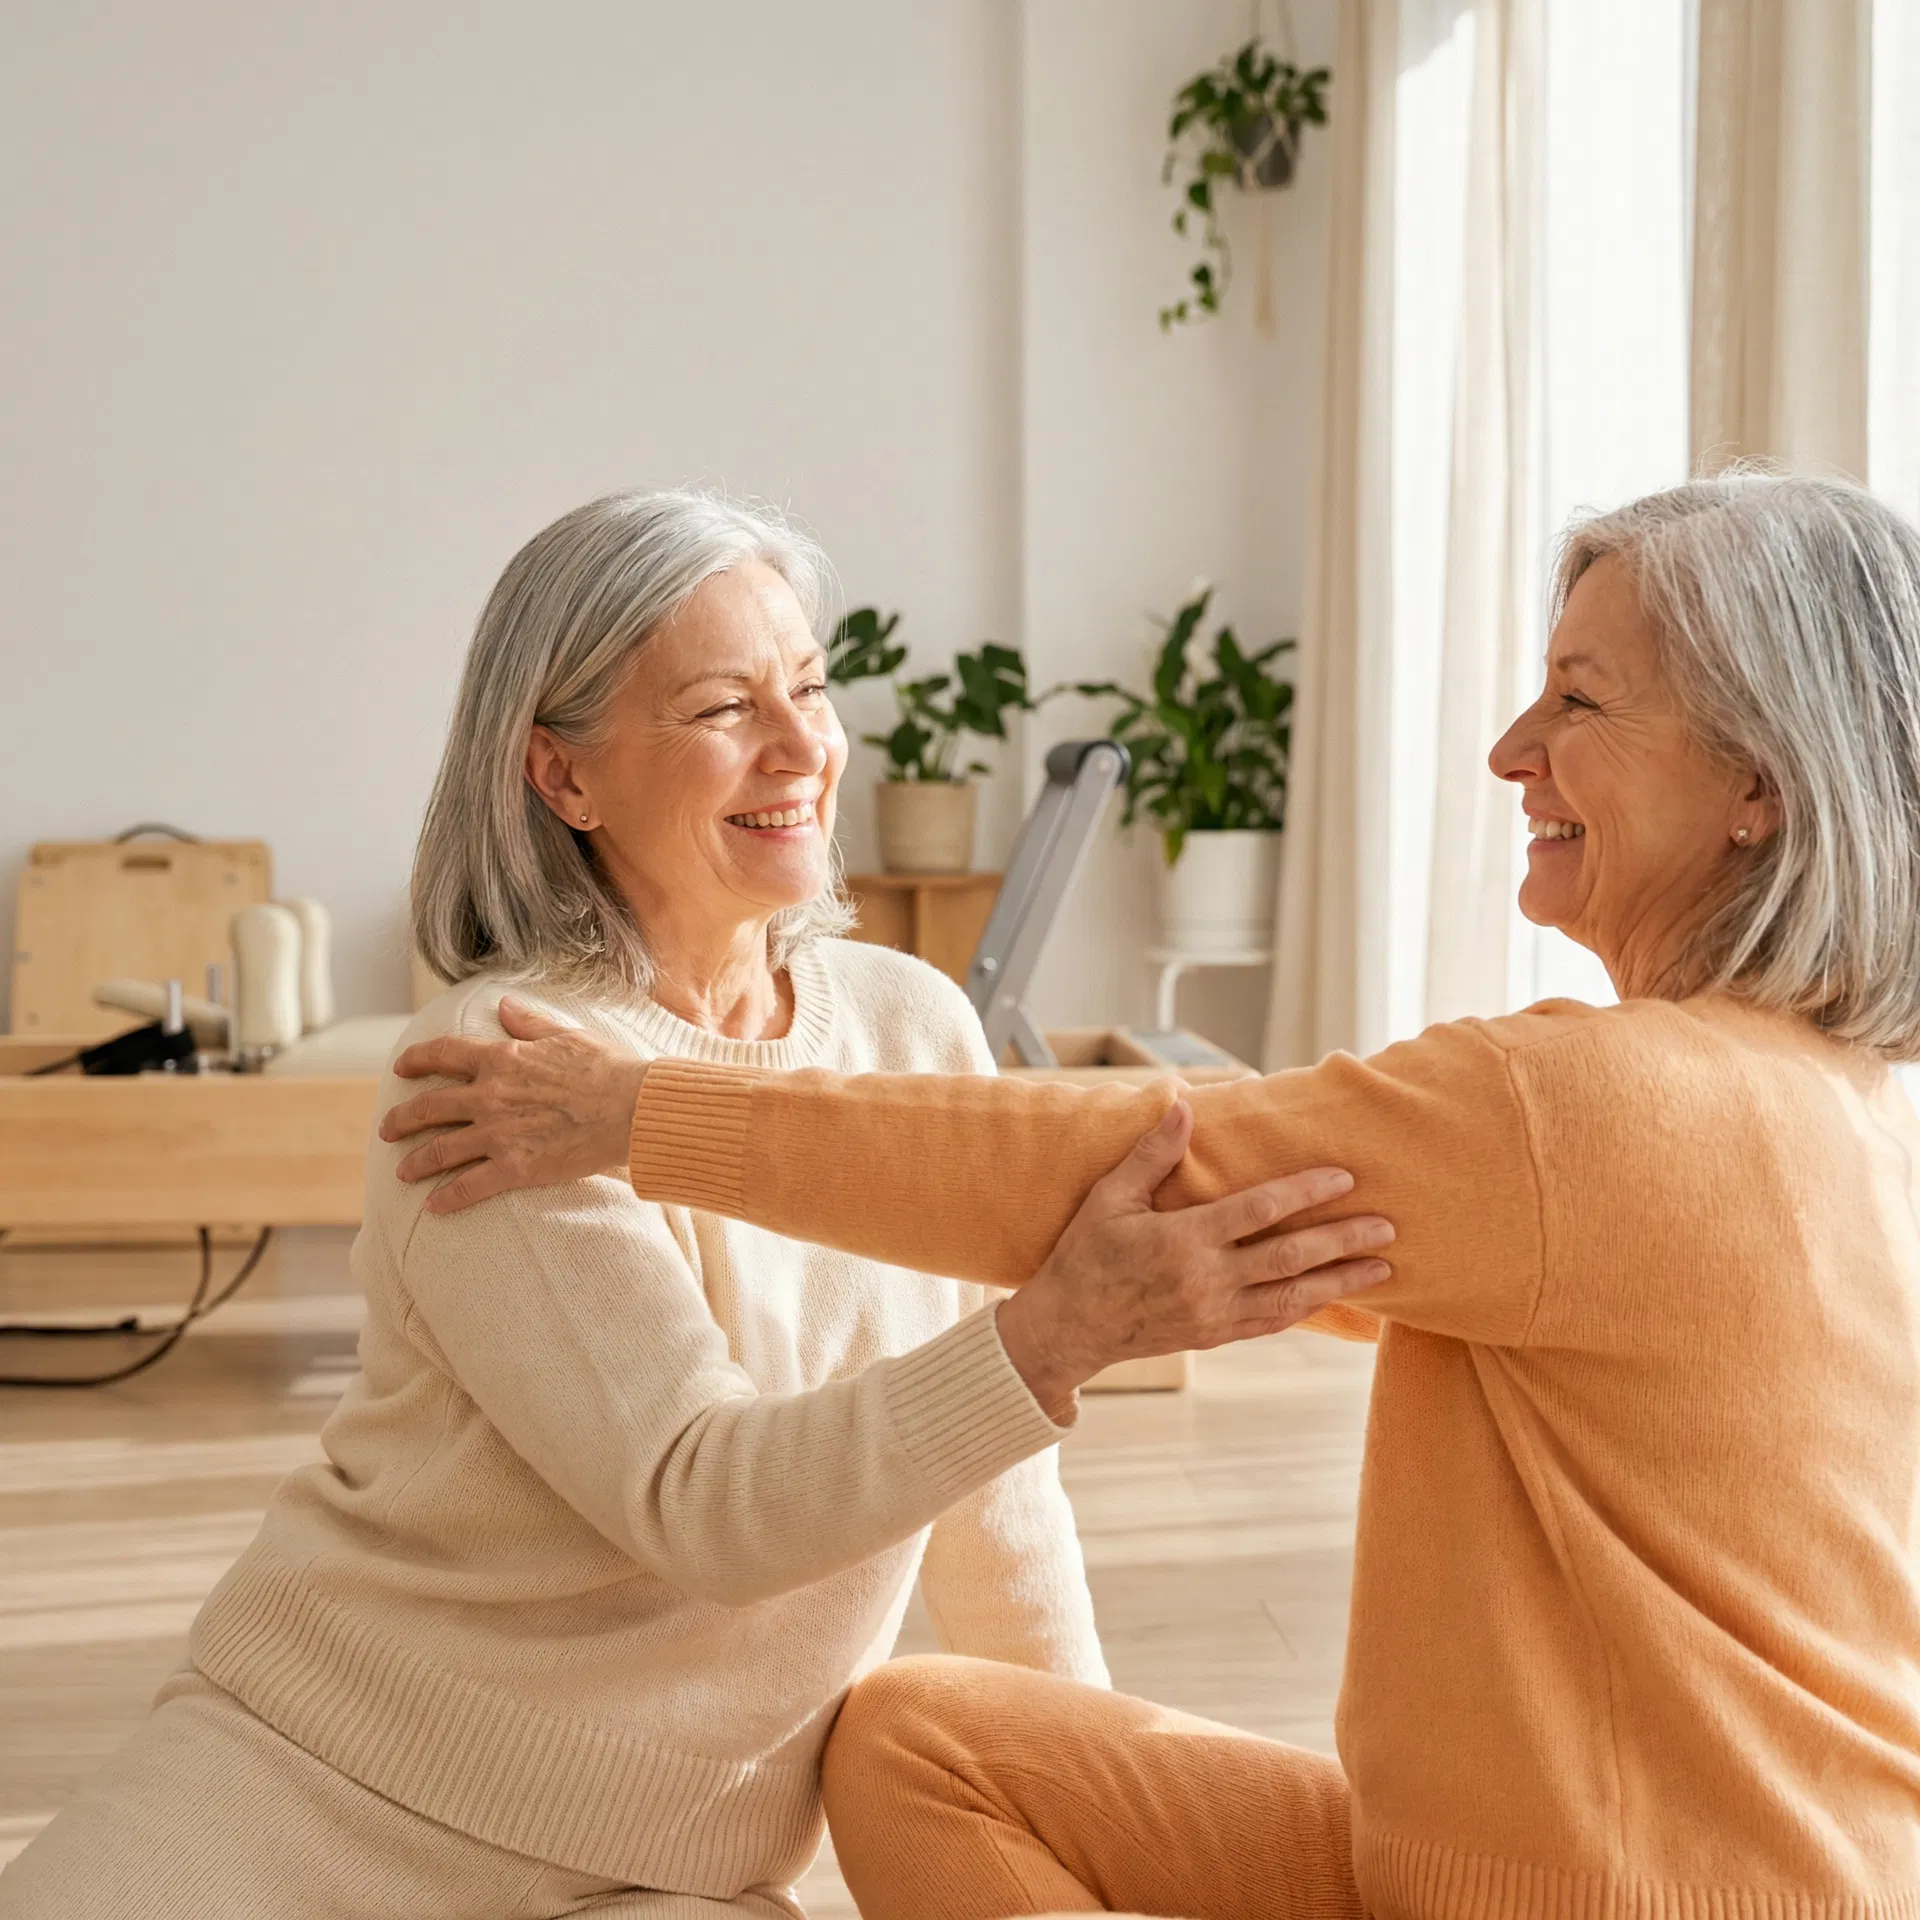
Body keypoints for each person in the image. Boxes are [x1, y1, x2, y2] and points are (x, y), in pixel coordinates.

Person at [375, 473, 1920, 1917]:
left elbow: (1099, 1167)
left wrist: (638, 1112)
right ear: (558, 774)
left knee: (920, 1746)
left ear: (1759, 791)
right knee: (925, 1739)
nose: (1514, 748)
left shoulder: (1600, 1106)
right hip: (1581, 1848)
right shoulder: (1828, 1096)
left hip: (1616, 1885)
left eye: (1578, 700)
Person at [0, 491, 1392, 1920]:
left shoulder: (912, 1027)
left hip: (671, 1869)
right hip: (317, 1788)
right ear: (563, 775)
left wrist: (1094, 1809)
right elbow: (703, 1503)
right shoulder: (506, 1074)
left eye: (809, 688)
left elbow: (997, 1499)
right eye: (727, 708)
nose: (803, 750)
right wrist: (1052, 1337)